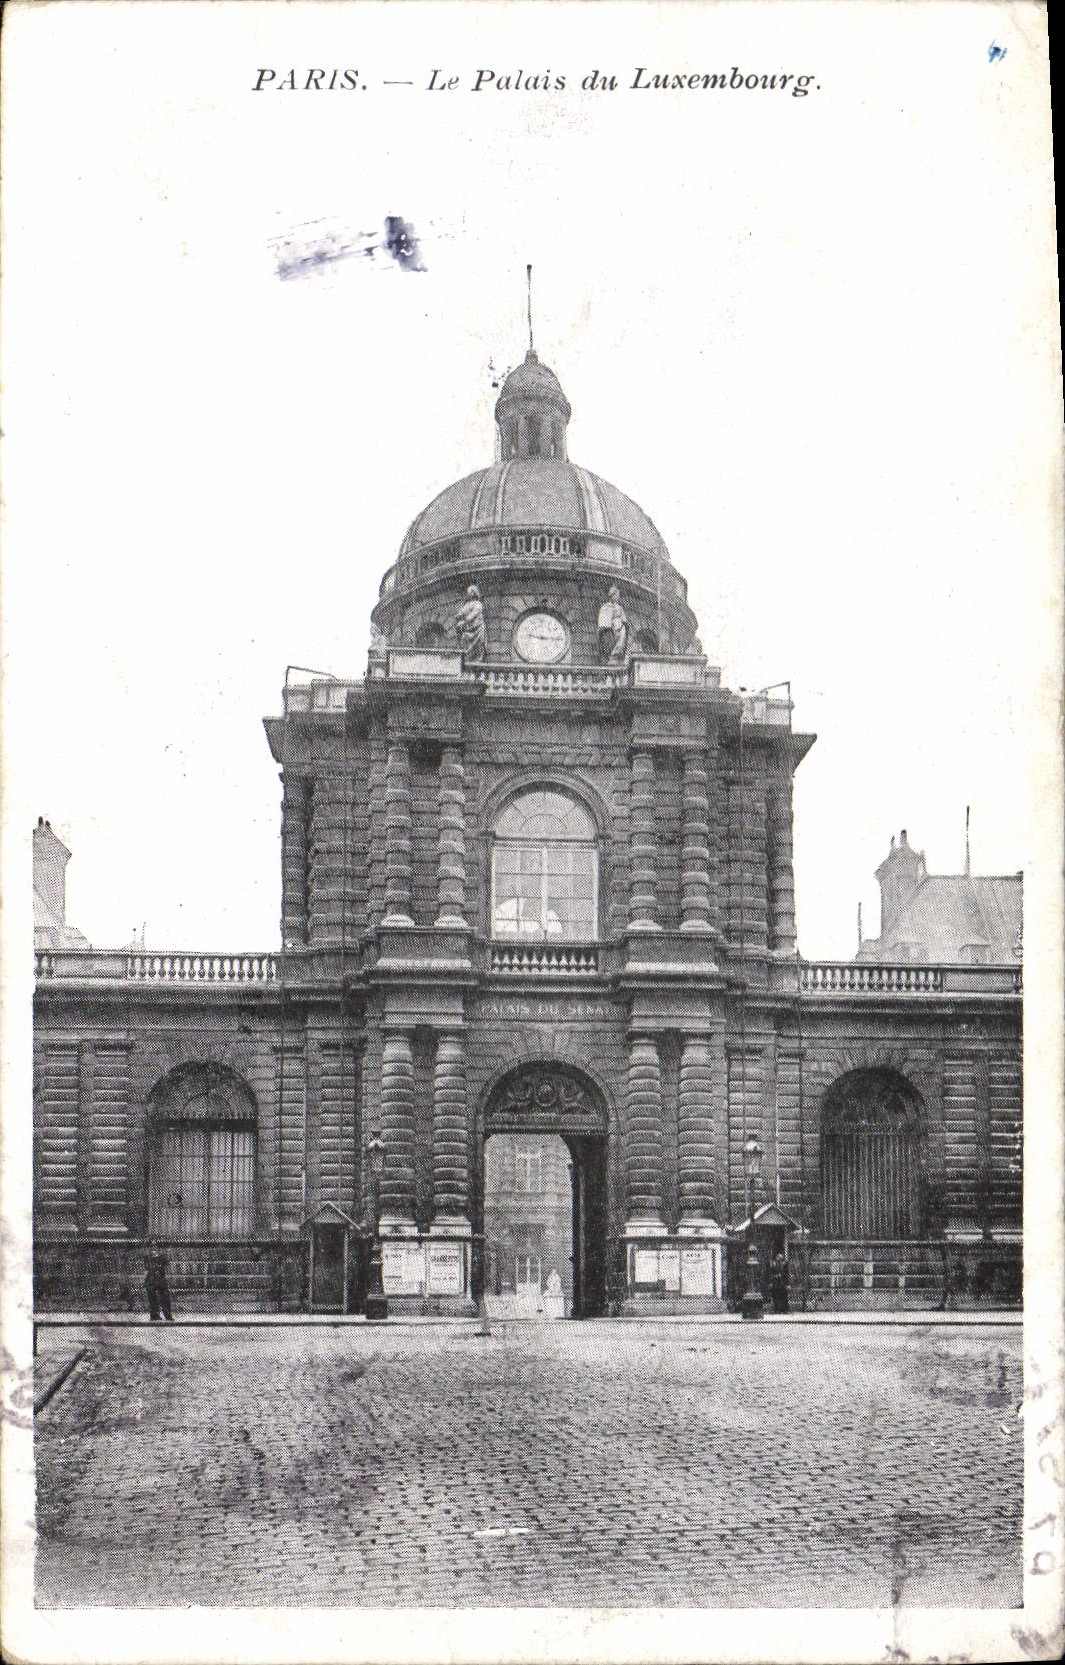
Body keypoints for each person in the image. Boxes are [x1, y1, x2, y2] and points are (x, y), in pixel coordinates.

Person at [597, 585, 629, 662]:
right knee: (610, 643)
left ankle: (616, 655)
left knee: (621, 642)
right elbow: (603, 621)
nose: (618, 597)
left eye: (618, 595)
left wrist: (622, 624)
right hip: (611, 629)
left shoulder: (620, 607)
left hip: (620, 628)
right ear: (612, 596)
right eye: (617, 595)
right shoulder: (606, 607)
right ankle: (611, 656)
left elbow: (624, 620)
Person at [144, 1240, 174, 1322]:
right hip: (151, 1280)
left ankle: (168, 1316)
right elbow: (146, 1269)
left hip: (161, 1279)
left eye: (156, 1247)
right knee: (152, 1299)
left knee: (165, 1298)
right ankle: (154, 1315)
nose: (154, 1248)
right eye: (152, 1247)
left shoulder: (163, 1257)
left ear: (158, 1248)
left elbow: (167, 1267)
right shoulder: (147, 1258)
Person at [455, 584, 487, 659]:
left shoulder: (478, 604)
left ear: (474, 593)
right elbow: (461, 612)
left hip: (477, 629)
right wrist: (458, 616)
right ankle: (466, 657)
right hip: (468, 629)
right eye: (468, 592)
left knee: (478, 646)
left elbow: (473, 615)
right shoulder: (468, 604)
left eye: (470, 592)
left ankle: (477, 659)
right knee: (463, 639)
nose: (468, 593)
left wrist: (464, 621)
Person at [768, 1251, 790, 1315]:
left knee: (784, 1296)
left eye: (781, 1255)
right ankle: (776, 1309)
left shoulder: (785, 1263)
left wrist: (787, 1283)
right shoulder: (773, 1263)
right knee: (775, 1296)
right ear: (776, 1256)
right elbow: (770, 1273)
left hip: (783, 1282)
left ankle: (784, 1309)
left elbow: (787, 1274)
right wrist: (773, 1278)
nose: (780, 1256)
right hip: (775, 1282)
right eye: (779, 1255)